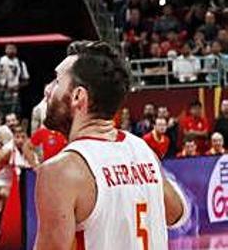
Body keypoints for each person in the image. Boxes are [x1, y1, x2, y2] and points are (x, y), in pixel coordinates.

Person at [34, 41, 187, 249]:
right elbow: (176, 213)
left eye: (57, 81)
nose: (48, 90)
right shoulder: (141, 149)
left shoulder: (60, 171)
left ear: (79, 96)